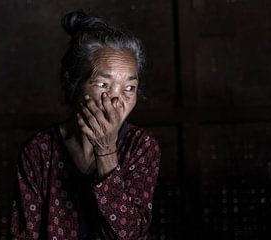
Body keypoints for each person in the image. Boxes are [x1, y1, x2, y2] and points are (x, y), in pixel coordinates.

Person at [10, 9, 161, 240]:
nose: (116, 100)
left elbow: (130, 235)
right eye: (103, 84)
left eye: (129, 88)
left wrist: (106, 151)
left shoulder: (142, 147)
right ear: (75, 85)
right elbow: (23, 234)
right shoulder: (38, 151)